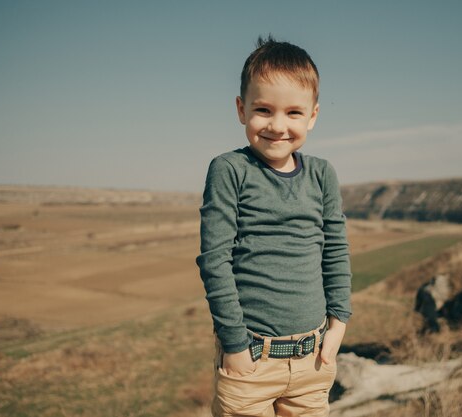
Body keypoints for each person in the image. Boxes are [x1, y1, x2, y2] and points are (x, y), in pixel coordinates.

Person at [195, 34, 353, 417]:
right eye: (263, 110)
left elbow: (335, 250)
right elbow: (215, 260)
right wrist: (234, 345)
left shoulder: (321, 175)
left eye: (294, 113)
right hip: (251, 360)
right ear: (241, 108)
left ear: (313, 115)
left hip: (314, 360)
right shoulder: (230, 170)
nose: (277, 126)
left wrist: (338, 325)